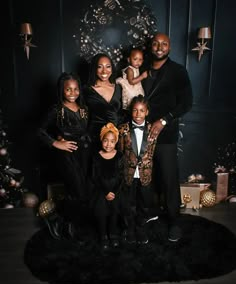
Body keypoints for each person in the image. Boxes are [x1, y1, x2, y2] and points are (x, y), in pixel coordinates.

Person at [142, 32, 193, 242]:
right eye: (156, 43)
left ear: (169, 48)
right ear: (150, 47)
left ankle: (174, 221)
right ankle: (145, 216)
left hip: (167, 134)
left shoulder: (178, 71)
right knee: (144, 178)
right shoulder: (140, 71)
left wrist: (164, 121)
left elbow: (187, 102)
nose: (159, 46)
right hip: (141, 134)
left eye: (164, 44)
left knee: (169, 178)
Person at [38, 72, 92, 238]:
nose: (72, 93)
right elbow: (40, 131)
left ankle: (70, 224)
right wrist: (57, 142)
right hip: (67, 156)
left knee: (81, 191)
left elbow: (87, 131)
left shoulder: (84, 109)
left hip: (84, 155)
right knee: (77, 190)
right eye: (68, 89)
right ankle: (60, 221)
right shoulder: (58, 110)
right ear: (62, 90)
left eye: (76, 89)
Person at [118, 95, 158, 244]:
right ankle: (128, 229)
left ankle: (140, 229)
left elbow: (153, 152)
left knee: (144, 204)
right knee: (127, 203)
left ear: (147, 112)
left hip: (145, 174)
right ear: (131, 111)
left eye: (142, 111)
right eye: (135, 110)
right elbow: (121, 152)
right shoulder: (122, 129)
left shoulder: (153, 129)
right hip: (128, 174)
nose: (138, 114)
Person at [90, 122, 124, 250]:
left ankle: (113, 234)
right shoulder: (96, 156)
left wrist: (114, 191)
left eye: (112, 141)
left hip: (116, 190)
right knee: (102, 213)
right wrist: (105, 192)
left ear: (116, 142)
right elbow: (94, 177)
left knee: (114, 212)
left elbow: (121, 176)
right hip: (101, 190)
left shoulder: (119, 156)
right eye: (105, 140)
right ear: (101, 140)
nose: (108, 144)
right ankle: (103, 236)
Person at [84, 53, 124, 151]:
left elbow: (124, 112)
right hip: (93, 139)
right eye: (100, 67)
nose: (104, 71)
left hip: (115, 139)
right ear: (94, 69)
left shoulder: (119, 88)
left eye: (108, 66)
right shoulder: (86, 90)